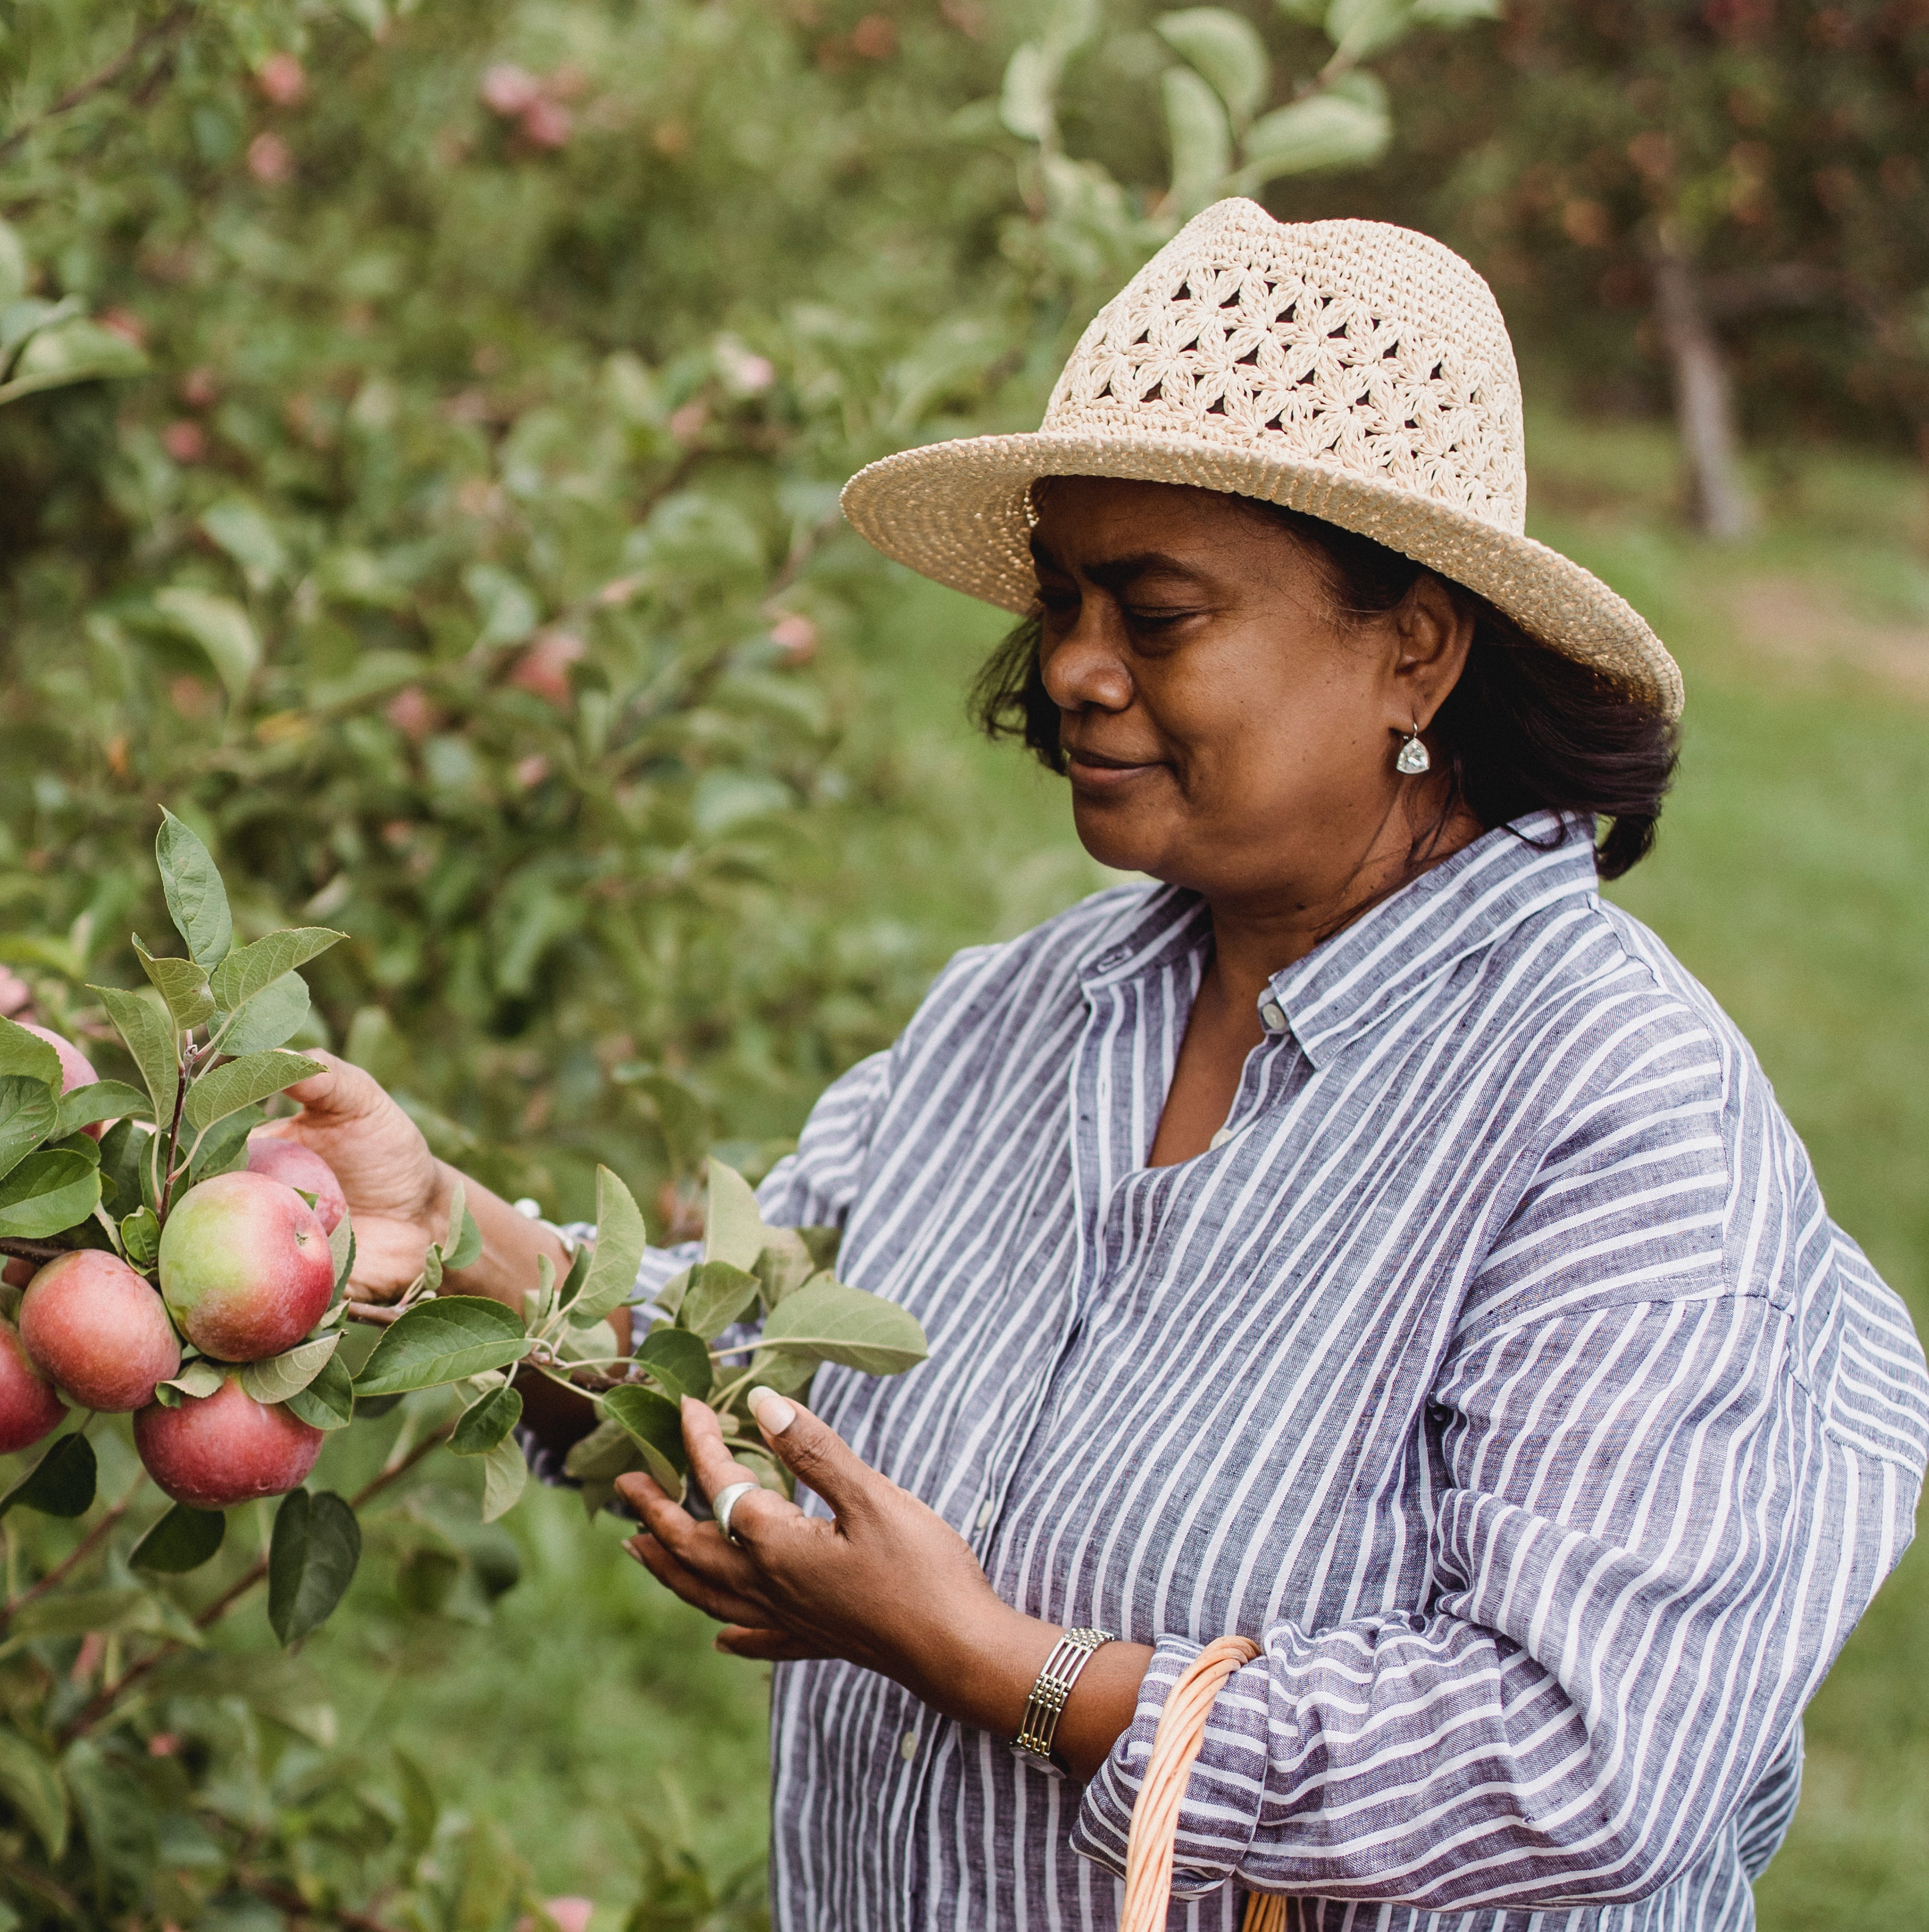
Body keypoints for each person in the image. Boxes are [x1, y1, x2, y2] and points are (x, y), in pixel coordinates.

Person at [276, 203, 1929, 1931]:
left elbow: (1585, 1760)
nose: (1069, 667)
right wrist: (454, 1233)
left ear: (1414, 650)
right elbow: (750, 1360)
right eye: (1065, 598)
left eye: (1154, 612)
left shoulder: (1610, 1116)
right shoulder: (1031, 1010)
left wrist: (999, 1666)